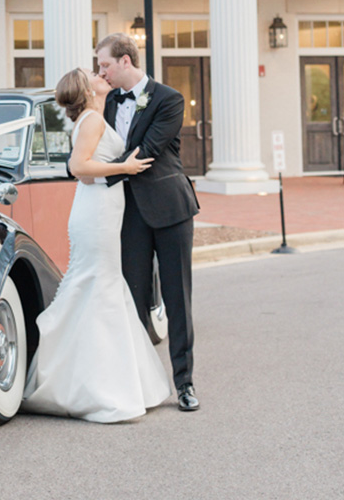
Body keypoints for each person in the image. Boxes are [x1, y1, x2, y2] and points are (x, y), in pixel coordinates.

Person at [22, 68, 171, 423]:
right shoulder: (91, 120)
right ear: (88, 89)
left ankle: (112, 381)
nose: (100, 73)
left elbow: (89, 172)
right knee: (100, 286)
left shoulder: (94, 117)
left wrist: (117, 167)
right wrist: (128, 166)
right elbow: (77, 167)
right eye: (94, 73)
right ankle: (102, 389)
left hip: (100, 208)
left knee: (100, 285)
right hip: (97, 214)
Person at [95, 32, 200, 412]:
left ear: (125, 61)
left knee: (177, 297)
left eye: (104, 64)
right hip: (127, 213)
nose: (100, 71)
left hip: (170, 209)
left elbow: (147, 151)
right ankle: (142, 382)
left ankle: (184, 383)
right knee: (134, 297)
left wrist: (97, 173)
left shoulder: (168, 99)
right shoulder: (105, 103)